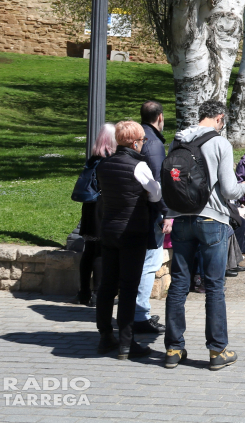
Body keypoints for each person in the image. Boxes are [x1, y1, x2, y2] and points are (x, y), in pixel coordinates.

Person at [164, 100, 245, 371]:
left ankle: (173, 348)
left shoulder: (178, 141)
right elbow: (227, 189)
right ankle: (217, 350)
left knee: (179, 283)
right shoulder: (219, 143)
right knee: (214, 286)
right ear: (219, 118)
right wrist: (244, 188)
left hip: (180, 217)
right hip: (211, 218)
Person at [95, 120, 162, 360]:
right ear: (135, 142)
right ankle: (126, 342)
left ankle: (105, 336)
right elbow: (155, 194)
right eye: (142, 140)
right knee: (129, 287)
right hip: (132, 232)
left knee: (107, 286)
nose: (143, 144)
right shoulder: (138, 165)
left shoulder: (105, 164)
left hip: (109, 230)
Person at [133, 101, 167, 333]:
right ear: (160, 118)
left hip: (133, 210)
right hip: (150, 212)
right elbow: (157, 183)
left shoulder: (137, 138)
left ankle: (136, 312)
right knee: (149, 264)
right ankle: (140, 314)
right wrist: (167, 212)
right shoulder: (153, 144)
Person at [74, 123, 116, 307]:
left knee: (89, 250)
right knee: (99, 251)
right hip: (102, 207)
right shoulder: (109, 160)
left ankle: (84, 292)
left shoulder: (93, 159)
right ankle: (98, 293)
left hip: (89, 208)